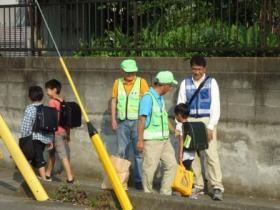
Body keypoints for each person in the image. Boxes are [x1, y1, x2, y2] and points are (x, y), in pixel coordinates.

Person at [176, 55, 224, 200]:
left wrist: (210, 127)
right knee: (191, 154)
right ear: (191, 68)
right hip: (189, 121)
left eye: (199, 69)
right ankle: (198, 184)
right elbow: (180, 104)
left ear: (204, 69)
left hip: (205, 121)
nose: (196, 72)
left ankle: (217, 186)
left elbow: (215, 106)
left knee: (211, 154)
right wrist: (180, 126)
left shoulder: (211, 82)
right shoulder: (185, 83)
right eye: (194, 69)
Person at [137, 70, 178, 195]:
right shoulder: (147, 98)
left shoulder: (159, 99)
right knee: (149, 169)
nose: (170, 88)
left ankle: (165, 193)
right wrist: (140, 140)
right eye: (170, 85)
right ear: (164, 85)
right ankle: (147, 194)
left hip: (164, 140)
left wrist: (173, 130)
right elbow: (141, 120)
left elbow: (164, 118)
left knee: (172, 165)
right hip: (152, 141)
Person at [111, 59, 149, 190]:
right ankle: (123, 180)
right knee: (121, 152)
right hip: (122, 122)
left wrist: (145, 121)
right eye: (128, 72)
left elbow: (146, 102)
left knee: (138, 153)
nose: (130, 75)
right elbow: (114, 101)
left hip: (137, 123)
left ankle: (138, 180)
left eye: (132, 72)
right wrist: (113, 119)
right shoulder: (117, 82)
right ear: (123, 71)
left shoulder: (141, 82)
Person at [20, 86, 53, 181]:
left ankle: (44, 180)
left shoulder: (29, 109)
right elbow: (49, 126)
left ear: (30, 97)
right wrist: (50, 140)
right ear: (42, 96)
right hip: (44, 138)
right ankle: (35, 177)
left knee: (39, 158)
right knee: (36, 157)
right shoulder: (45, 108)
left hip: (34, 138)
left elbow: (26, 125)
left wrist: (23, 138)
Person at [45, 79, 74, 183]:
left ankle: (70, 177)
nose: (46, 92)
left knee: (62, 155)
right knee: (51, 153)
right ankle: (47, 174)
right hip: (63, 131)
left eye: (48, 90)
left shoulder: (52, 102)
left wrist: (49, 135)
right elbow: (67, 119)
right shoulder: (62, 101)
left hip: (55, 133)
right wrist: (68, 134)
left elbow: (52, 120)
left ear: (54, 90)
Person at [174, 103, 195, 171]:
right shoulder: (190, 125)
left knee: (183, 173)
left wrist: (180, 155)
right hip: (191, 154)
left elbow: (181, 141)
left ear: (179, 115)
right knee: (189, 171)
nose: (175, 117)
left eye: (176, 115)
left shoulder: (180, 126)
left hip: (184, 155)